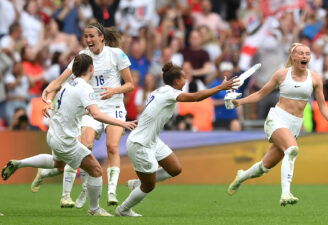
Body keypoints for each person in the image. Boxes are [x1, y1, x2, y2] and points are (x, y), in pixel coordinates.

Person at [2, 54, 137, 216]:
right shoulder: (85, 88)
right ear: (92, 69)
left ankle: (19, 163)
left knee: (57, 164)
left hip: (53, 134)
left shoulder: (68, 84)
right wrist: (121, 122)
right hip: (66, 140)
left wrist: (50, 105)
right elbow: (96, 114)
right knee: (96, 170)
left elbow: (68, 101)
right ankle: (94, 209)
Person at [226, 43, 328, 206]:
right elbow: (261, 93)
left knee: (265, 167)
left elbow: (322, 105)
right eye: (301, 53)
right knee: (292, 150)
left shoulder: (315, 78)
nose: (305, 56)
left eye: (308, 54)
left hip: (295, 125)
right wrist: (238, 102)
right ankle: (285, 194)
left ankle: (241, 176)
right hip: (277, 118)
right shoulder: (282, 75)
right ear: (293, 57)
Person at [31, 22, 134, 208]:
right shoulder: (82, 57)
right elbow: (61, 80)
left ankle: (111, 192)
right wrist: (48, 94)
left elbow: (130, 84)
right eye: (85, 37)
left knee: (112, 147)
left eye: (91, 36)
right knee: (84, 147)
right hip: (90, 107)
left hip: (114, 106)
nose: (88, 40)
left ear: (101, 37)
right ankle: (80, 190)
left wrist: (114, 90)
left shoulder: (116, 54)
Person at [115, 62, 238, 216]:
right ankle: (123, 209)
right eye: (183, 78)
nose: (186, 81)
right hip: (140, 143)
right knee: (149, 186)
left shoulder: (161, 91)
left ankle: (138, 183)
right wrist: (220, 87)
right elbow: (196, 97)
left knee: (174, 169)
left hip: (152, 140)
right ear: (176, 81)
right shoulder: (169, 93)